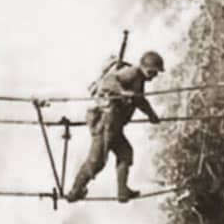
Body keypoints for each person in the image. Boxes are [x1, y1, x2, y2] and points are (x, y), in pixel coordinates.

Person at [65, 51, 164, 203]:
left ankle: (122, 192)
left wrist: (151, 114)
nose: (153, 76)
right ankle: (75, 191)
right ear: (144, 67)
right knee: (96, 162)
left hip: (114, 126)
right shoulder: (132, 73)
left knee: (125, 153)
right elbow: (109, 81)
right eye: (152, 72)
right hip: (104, 122)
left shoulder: (140, 79)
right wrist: (123, 92)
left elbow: (139, 100)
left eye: (155, 73)